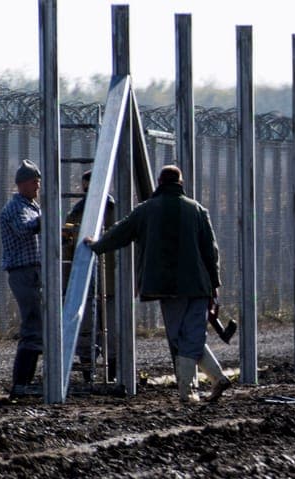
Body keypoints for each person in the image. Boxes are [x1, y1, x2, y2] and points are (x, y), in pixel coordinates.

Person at [84, 165, 231, 404]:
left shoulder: (146, 210)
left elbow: (120, 233)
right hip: (199, 285)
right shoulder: (197, 210)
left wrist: (96, 245)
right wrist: (215, 285)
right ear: (180, 183)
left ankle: (189, 391)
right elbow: (211, 251)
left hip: (167, 286)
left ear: (159, 184)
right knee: (193, 335)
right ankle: (216, 379)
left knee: (180, 337)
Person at [62, 169, 118, 382]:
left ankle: (110, 370)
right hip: (89, 284)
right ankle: (91, 371)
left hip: (106, 283)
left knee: (109, 330)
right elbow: (67, 246)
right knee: (88, 331)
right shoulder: (78, 214)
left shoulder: (113, 212)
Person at [0, 159, 44, 398]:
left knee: (37, 325)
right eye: (34, 182)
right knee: (33, 326)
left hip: (32, 271)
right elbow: (25, 228)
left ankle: (25, 381)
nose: (38, 185)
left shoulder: (31, 205)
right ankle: (21, 383)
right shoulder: (18, 207)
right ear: (22, 184)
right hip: (24, 272)